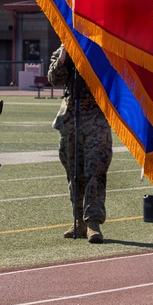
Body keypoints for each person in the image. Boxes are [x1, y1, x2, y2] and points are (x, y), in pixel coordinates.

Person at [47, 43, 113, 243]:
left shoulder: (103, 48)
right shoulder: (63, 50)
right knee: (74, 174)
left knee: (95, 171)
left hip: (96, 120)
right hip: (70, 121)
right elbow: (54, 79)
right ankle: (79, 222)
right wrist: (64, 53)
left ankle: (93, 223)